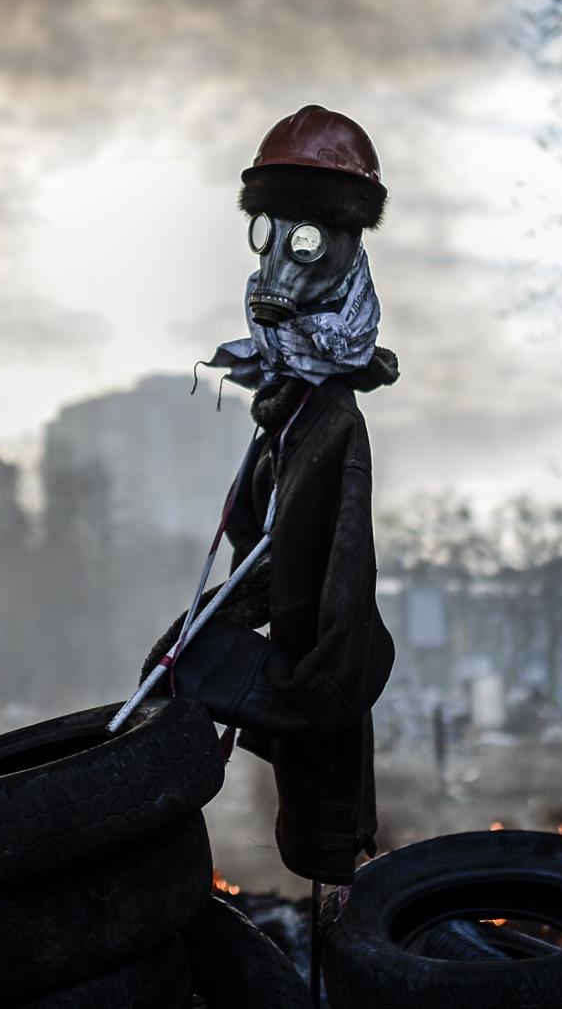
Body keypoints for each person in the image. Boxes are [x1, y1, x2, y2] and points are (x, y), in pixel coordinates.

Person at [143, 103, 398, 886]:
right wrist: (197, 636)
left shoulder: (331, 424)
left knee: (322, 845)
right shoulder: (289, 404)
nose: (281, 259)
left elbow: (342, 607)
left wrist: (275, 690)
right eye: (271, 233)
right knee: (173, 665)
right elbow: (269, 550)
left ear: (346, 245)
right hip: (302, 677)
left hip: (318, 694)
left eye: (308, 238)